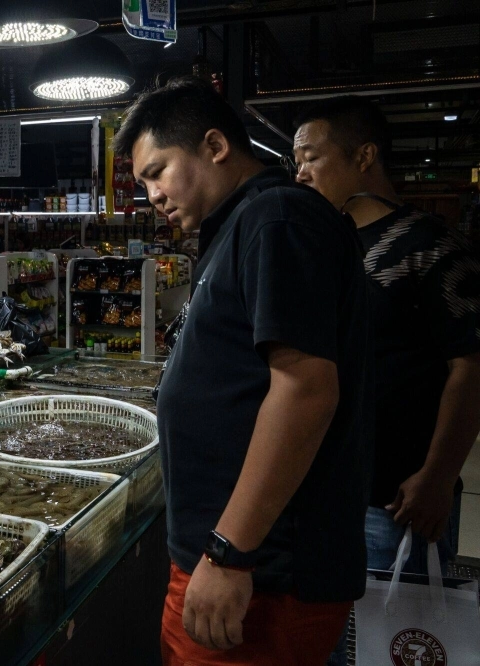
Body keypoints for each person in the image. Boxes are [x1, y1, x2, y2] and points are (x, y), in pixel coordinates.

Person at [112, 77, 372, 666]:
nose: (150, 193)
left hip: (264, 573)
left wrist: (230, 552)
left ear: (215, 145)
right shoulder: (240, 225)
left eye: (158, 171)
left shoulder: (277, 218)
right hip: (240, 561)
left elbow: (305, 389)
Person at [293, 96, 480, 665]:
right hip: (327, 495)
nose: (299, 172)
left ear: (364, 156)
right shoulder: (329, 246)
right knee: (329, 641)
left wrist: (438, 476)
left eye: (311, 157)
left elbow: (472, 365)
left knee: (389, 642)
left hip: (397, 501)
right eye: (294, 161)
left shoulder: (429, 244)